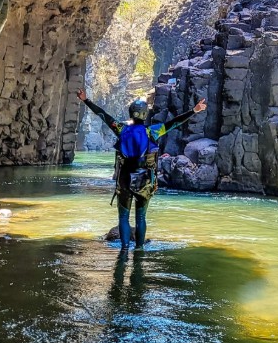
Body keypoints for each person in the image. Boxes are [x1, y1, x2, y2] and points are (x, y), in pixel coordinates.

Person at [77, 89, 207, 251]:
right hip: (145, 180)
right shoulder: (153, 131)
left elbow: (103, 115)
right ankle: (139, 250)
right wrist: (194, 110)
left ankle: (124, 250)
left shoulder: (121, 129)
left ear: (131, 114)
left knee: (123, 217)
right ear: (145, 114)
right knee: (141, 217)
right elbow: (175, 123)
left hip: (124, 179)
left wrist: (85, 100)